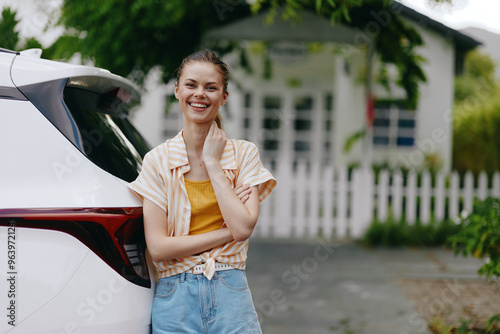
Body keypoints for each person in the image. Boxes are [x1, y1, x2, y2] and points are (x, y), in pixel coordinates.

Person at [129, 49, 276, 334]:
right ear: (176, 90)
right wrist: (227, 232)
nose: (200, 94)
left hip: (230, 291)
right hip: (175, 299)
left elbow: (244, 226)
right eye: (191, 85)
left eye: (211, 88)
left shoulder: (244, 154)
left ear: (224, 97)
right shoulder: (158, 161)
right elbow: (158, 248)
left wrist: (213, 163)